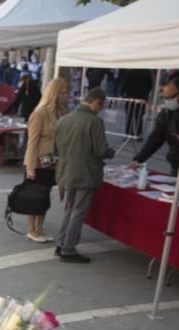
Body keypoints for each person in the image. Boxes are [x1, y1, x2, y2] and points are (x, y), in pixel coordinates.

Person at [54, 88, 115, 264]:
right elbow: (101, 150)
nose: (100, 109)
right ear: (97, 102)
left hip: (66, 171)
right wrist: (111, 152)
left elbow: (55, 149)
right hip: (85, 173)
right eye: (101, 106)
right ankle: (68, 248)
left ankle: (61, 243)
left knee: (69, 209)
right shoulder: (94, 122)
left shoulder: (64, 119)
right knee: (78, 212)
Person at [23, 78, 70, 243]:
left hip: (53, 162)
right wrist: (30, 167)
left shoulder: (62, 113)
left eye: (66, 93)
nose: (66, 96)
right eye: (63, 93)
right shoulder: (39, 113)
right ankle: (31, 230)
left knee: (45, 196)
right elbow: (32, 141)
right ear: (55, 94)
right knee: (34, 196)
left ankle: (40, 228)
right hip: (38, 162)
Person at [129, 75, 179, 178]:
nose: (168, 101)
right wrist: (139, 159)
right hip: (177, 165)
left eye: (171, 97)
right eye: (165, 98)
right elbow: (156, 137)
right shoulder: (168, 112)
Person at [121, 69, 154, 139]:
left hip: (130, 97)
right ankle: (138, 134)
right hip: (142, 97)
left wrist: (123, 93)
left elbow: (125, 84)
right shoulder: (147, 71)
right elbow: (150, 85)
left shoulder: (129, 71)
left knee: (129, 116)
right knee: (139, 116)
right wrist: (146, 94)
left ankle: (128, 133)